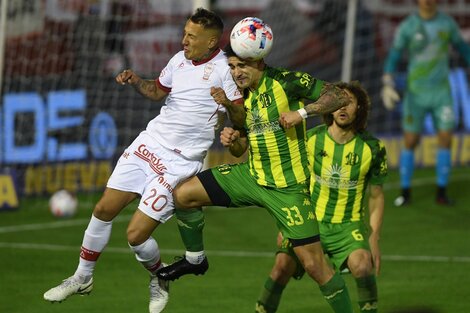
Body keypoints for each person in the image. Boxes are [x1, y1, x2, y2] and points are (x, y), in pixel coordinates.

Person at [43, 8, 244, 313]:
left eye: (192, 36)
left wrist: (228, 104)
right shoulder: (178, 60)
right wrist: (137, 80)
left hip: (179, 162)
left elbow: (241, 117)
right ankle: (82, 277)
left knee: (136, 236)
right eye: (184, 32)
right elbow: (156, 92)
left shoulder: (225, 71)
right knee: (103, 208)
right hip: (149, 143)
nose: (184, 39)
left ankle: (159, 278)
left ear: (212, 41)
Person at [157, 42, 355, 312]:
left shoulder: (286, 81)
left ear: (259, 62)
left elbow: (339, 96)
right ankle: (195, 259)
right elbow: (241, 149)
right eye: (232, 67)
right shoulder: (238, 96)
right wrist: (233, 140)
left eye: (243, 66)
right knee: (183, 194)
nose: (237, 72)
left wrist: (302, 113)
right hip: (250, 176)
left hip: (288, 188)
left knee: (315, 266)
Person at [255, 81, 387, 313]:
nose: (343, 108)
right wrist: (286, 223)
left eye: (350, 102)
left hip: (348, 227)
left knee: (363, 265)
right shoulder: (311, 139)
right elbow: (293, 183)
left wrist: (374, 237)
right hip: (309, 222)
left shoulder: (372, 148)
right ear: (329, 107)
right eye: (339, 102)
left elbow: (376, 196)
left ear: (360, 108)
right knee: (281, 266)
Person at [381, 0, 470, 207]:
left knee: (446, 139)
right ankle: (405, 192)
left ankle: (441, 192)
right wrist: (387, 81)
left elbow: (463, 49)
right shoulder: (408, 26)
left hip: (442, 93)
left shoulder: (447, 24)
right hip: (416, 95)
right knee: (410, 141)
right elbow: (394, 55)